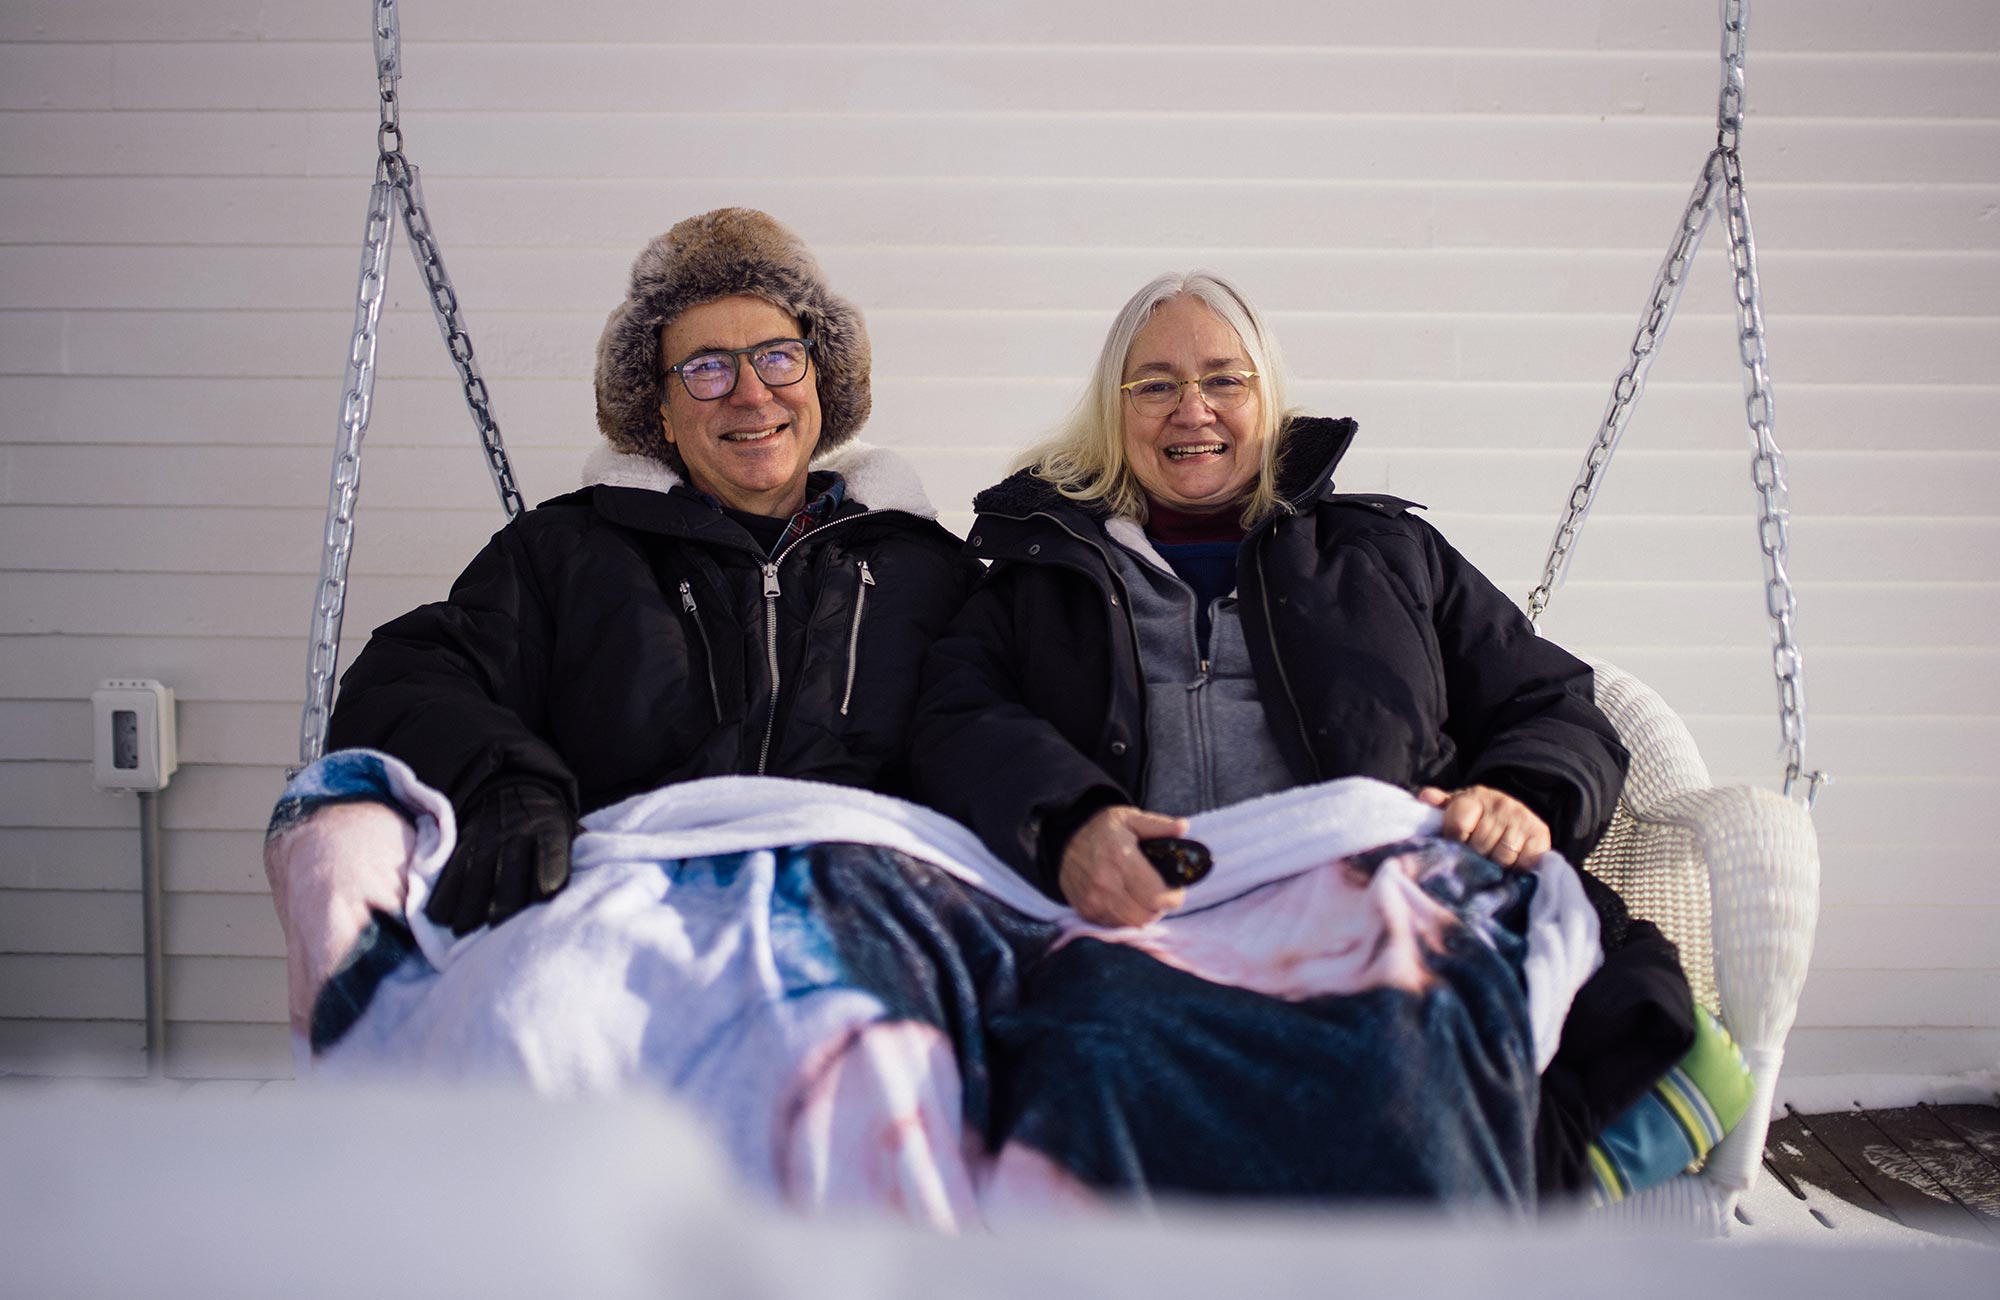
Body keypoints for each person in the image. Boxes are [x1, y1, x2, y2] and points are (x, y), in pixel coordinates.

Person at [909, 270, 1694, 1200]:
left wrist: (1520, 794)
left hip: (1372, 907)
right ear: (1113, 414)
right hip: (1151, 924)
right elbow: (954, 723)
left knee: (1409, 1054)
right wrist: (1070, 823)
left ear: (1267, 400)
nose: (1190, 410)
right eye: (1154, 384)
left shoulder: (1384, 555)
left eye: (1223, 380)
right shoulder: (1035, 574)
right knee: (1099, 1051)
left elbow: (1555, 701)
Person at [267, 207, 974, 1038]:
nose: (753, 393)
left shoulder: (924, 566)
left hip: (860, 896)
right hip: (627, 898)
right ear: (660, 411)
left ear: (820, 379)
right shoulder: (567, 551)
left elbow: (996, 723)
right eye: (708, 369)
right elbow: (408, 674)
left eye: (779, 357)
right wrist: (504, 778)